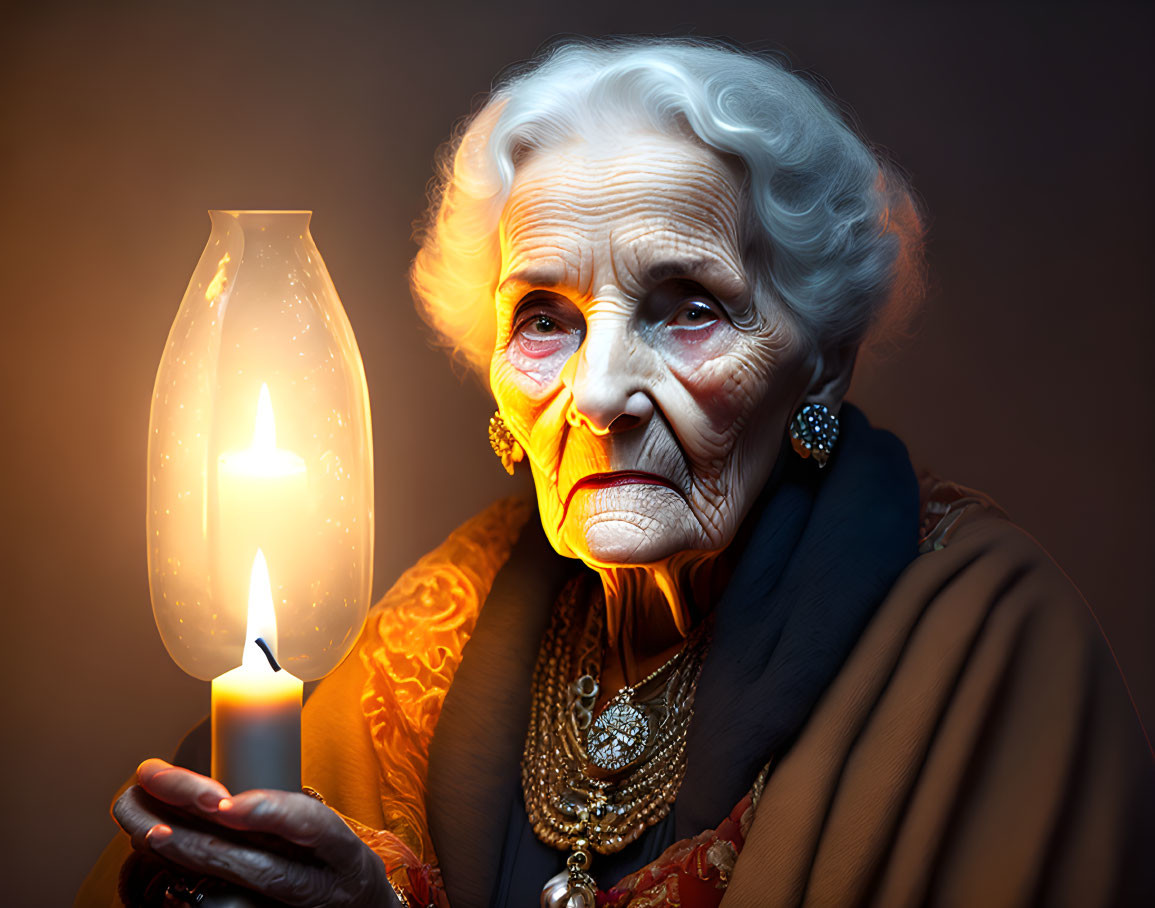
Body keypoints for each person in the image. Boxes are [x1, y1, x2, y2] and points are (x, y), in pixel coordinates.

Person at [83, 37, 1154, 907]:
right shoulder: (444, 619)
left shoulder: (989, 639)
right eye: (544, 318)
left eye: (690, 304)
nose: (599, 393)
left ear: (822, 358)